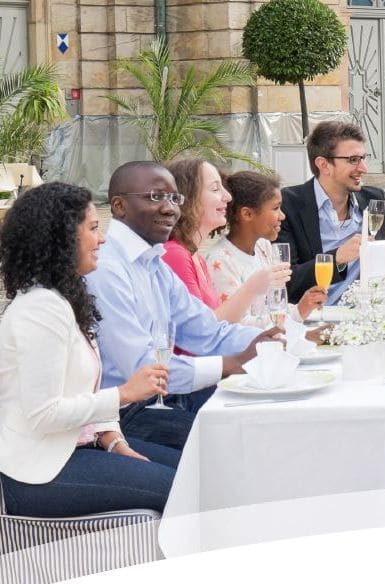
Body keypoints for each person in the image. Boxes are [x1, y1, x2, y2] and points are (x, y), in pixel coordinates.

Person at [0, 182, 180, 516]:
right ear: (62, 238)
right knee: (185, 491)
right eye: (94, 228)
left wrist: (112, 439)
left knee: (193, 473)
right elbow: (43, 414)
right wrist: (124, 394)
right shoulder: (41, 309)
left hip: (75, 448)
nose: (103, 239)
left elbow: (80, 391)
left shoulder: (65, 299)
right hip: (36, 471)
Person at [86, 161, 279, 450]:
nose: (170, 207)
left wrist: (271, 340)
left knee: (268, 418)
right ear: (118, 206)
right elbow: (142, 371)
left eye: (175, 198)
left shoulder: (155, 262)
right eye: (155, 197)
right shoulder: (107, 268)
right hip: (123, 416)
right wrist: (230, 364)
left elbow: (206, 331)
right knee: (242, 442)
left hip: (165, 400)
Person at [277, 121, 385, 305]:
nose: (363, 168)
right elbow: (286, 282)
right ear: (324, 165)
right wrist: (336, 258)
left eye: (364, 158)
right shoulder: (287, 206)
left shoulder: (377, 200)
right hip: (312, 320)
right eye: (353, 160)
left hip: (368, 316)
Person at [163, 158, 292, 324]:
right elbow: (200, 331)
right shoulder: (177, 255)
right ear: (189, 198)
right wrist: (252, 288)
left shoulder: (196, 258)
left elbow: (215, 326)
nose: (228, 197)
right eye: (215, 189)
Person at [205, 170, 327, 327]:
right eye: (276, 208)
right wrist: (297, 317)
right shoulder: (221, 260)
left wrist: (301, 308)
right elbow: (236, 325)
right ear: (247, 214)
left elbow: (274, 307)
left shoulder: (264, 247)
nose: (282, 216)